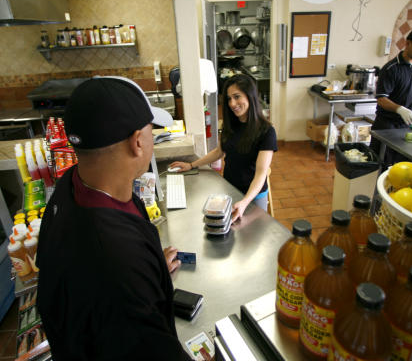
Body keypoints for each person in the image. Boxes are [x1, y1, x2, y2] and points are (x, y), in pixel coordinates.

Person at [36, 76, 192, 360]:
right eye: (151, 132)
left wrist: (151, 270)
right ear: (137, 143)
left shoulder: (71, 187)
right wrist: (134, 276)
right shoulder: (114, 262)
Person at [170, 74, 277, 222]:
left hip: (252, 197)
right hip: (230, 190)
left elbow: (260, 175)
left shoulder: (266, 131)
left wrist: (245, 202)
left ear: (250, 96)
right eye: (229, 99)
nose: (232, 103)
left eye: (237, 96)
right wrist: (191, 165)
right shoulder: (230, 125)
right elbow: (219, 151)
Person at [369, 26, 412, 166]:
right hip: (387, 126)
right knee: (380, 164)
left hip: (408, 126)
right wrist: (400, 109)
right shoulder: (391, 69)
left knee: (403, 165)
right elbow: (382, 99)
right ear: (408, 43)